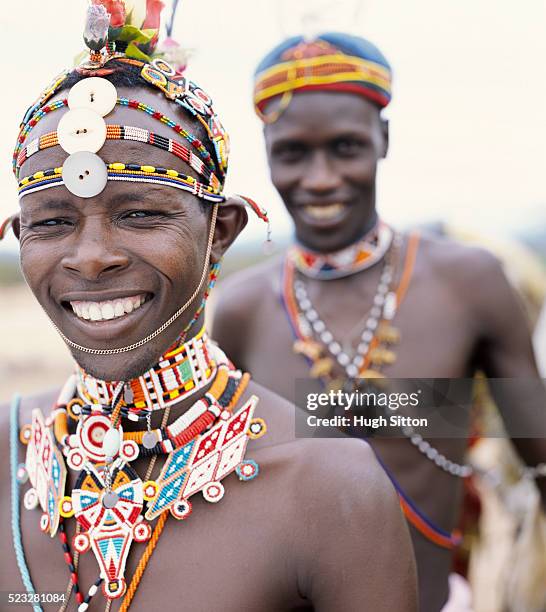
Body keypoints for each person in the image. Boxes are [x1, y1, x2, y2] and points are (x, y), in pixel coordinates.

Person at [0, 9, 417, 612]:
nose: (90, 259)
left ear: (219, 232)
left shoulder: (463, 283)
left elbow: (525, 430)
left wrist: (382, 422)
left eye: (140, 213)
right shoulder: (251, 303)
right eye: (53, 223)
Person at [212, 32, 546, 612]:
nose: (319, 179)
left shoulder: (468, 283)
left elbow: (538, 455)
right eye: (293, 153)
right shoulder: (241, 307)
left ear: (383, 140)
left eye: (345, 147)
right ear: (266, 152)